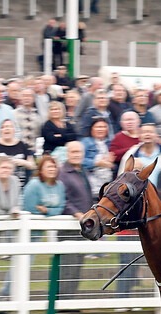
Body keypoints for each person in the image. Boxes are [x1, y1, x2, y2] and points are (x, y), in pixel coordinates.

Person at [60, 141, 94, 298]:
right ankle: (64, 300)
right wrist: (77, 214)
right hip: (69, 226)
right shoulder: (63, 173)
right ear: (67, 154)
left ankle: (71, 300)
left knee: (77, 265)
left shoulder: (84, 172)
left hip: (84, 226)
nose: (76, 154)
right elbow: (64, 200)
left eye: (79, 152)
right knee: (68, 266)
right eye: (73, 152)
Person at [81, 117, 114, 196]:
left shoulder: (110, 143)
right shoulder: (85, 142)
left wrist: (111, 164)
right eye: (98, 127)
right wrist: (97, 163)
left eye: (104, 127)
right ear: (92, 129)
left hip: (107, 185)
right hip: (90, 184)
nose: (101, 129)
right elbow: (79, 160)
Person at [0, 119, 36, 188]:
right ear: (0, 131)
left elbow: (32, 165)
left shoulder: (22, 145)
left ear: (14, 130)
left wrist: (23, 162)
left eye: (9, 126)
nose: (6, 129)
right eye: (3, 127)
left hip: (19, 186)